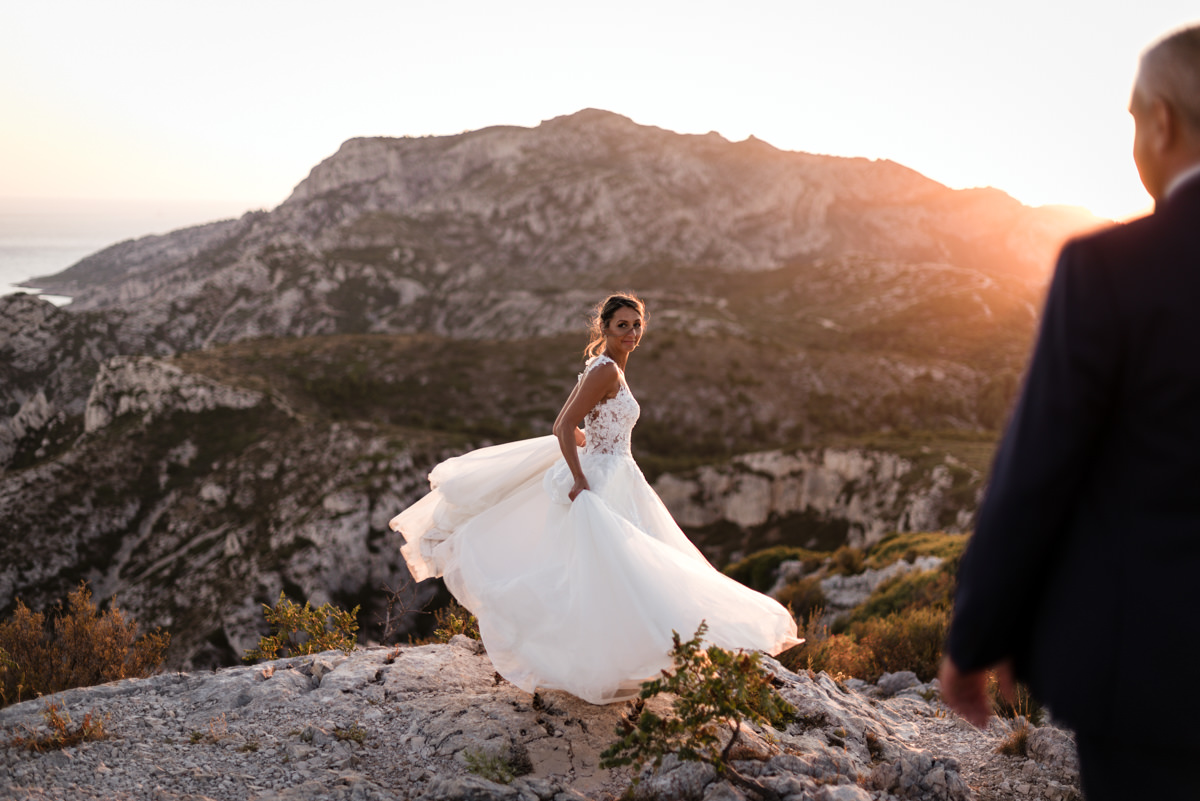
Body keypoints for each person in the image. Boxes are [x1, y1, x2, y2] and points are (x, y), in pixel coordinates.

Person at [940, 24, 1200, 799]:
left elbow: (1040, 468)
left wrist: (980, 636)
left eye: (1129, 120)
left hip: (1154, 680)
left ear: (1160, 121)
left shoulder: (1108, 270)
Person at [390, 293, 800, 704]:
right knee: (617, 572)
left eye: (637, 325)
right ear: (603, 328)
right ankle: (607, 661)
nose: (632, 333)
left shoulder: (605, 367)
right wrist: (580, 476)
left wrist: (592, 443)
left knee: (621, 573)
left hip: (618, 472)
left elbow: (577, 424)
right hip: (601, 478)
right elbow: (562, 425)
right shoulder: (604, 370)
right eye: (622, 325)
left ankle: (626, 660)